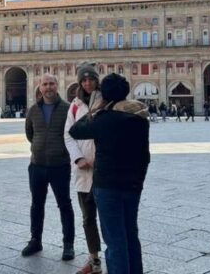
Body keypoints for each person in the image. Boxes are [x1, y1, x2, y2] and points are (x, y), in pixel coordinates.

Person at [70, 73, 150, 274]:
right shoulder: (139, 119)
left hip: (107, 186)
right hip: (133, 185)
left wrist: (98, 108)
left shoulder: (103, 118)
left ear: (104, 95)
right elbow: (144, 155)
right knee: (131, 235)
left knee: (114, 241)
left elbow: (75, 130)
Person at [23, 74, 75, 261]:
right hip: (37, 165)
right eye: (45, 84)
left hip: (60, 165)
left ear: (57, 85)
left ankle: (68, 244)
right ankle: (35, 240)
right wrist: (39, 147)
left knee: (65, 204)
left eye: (51, 83)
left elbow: (72, 135)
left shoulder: (68, 109)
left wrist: (59, 151)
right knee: (37, 205)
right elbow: (30, 133)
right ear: (40, 87)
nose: (48, 87)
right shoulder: (33, 110)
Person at [63, 63, 104, 274]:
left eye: (91, 79)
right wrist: (78, 158)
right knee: (88, 218)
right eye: (84, 80)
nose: (88, 83)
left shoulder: (106, 101)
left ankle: (114, 256)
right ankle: (94, 260)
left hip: (104, 170)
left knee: (108, 217)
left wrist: (103, 159)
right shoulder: (75, 105)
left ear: (97, 80)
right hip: (82, 170)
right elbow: (68, 134)